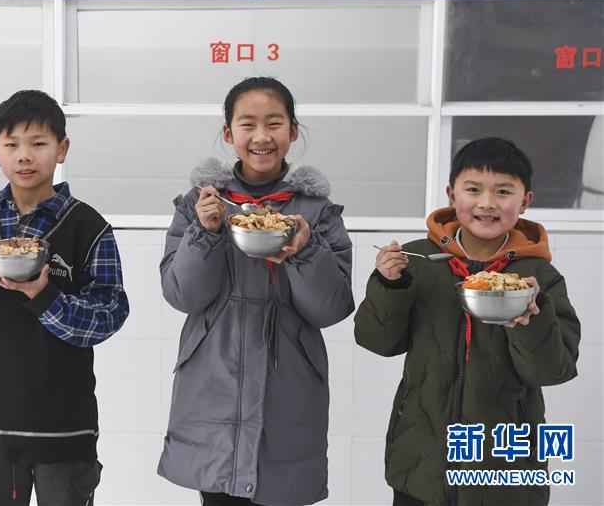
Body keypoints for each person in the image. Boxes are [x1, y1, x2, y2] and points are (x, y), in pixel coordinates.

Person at [158, 76, 355, 506]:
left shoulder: (317, 213)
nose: (261, 137)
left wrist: (307, 252)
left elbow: (332, 308)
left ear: (293, 132)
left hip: (289, 394)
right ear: (229, 134)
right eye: (247, 124)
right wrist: (206, 232)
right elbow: (181, 295)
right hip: (213, 390)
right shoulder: (200, 204)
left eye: (274, 123)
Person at [354, 137, 581, 506]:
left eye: (503, 191)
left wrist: (532, 317)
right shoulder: (418, 261)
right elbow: (376, 341)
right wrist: (389, 284)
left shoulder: (539, 278)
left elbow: (553, 371)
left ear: (525, 201)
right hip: (421, 463)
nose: (487, 203)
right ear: (451, 194)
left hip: (505, 472)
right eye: (473, 189)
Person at [0, 89, 129, 506]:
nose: (24, 156)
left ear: (62, 149)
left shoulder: (88, 226)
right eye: (12, 145)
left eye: (38, 144)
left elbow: (109, 315)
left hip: (65, 423)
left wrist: (43, 295)